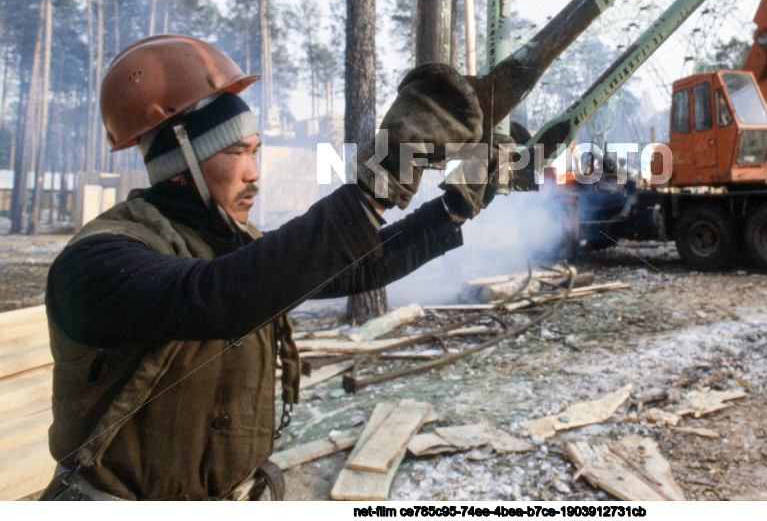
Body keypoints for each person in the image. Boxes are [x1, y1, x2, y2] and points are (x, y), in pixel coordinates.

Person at [41, 34, 501, 500]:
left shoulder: (230, 247)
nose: (253, 172)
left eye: (255, 151)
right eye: (235, 152)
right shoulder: (98, 261)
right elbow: (216, 297)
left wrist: (453, 210)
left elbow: (357, 267)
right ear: (180, 165)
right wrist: (380, 182)